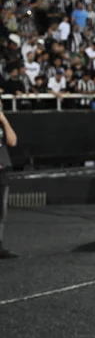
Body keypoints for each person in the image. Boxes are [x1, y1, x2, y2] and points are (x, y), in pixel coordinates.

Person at [0, 101, 18, 259]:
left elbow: (12, 141)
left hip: (2, 169)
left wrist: (3, 119)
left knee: (1, 211)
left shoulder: (1, 124)